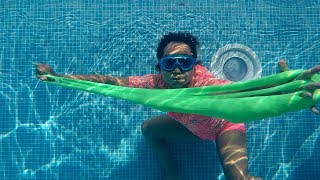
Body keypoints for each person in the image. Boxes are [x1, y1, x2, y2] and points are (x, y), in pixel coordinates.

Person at [36, 32, 320, 180]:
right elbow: (109, 81)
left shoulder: (206, 85)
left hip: (224, 126)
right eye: (168, 63)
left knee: (238, 178)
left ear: (194, 65)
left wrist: (291, 92)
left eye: (184, 62)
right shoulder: (152, 83)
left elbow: (250, 93)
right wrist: (59, 77)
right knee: (149, 130)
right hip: (195, 128)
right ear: (159, 67)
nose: (177, 70)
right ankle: (171, 173)